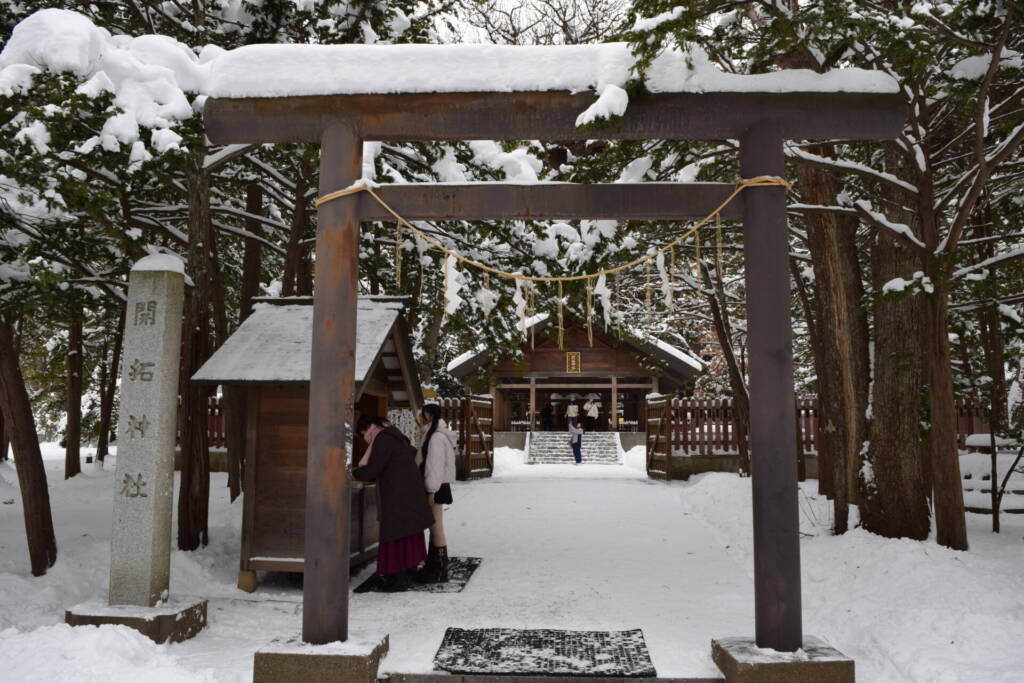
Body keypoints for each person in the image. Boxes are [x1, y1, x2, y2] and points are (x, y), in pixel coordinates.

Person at [352, 415, 435, 592]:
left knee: (394, 533)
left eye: (363, 432)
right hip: (406, 491)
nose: (364, 437)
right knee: (408, 533)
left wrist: (355, 473)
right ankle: (408, 570)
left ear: (370, 426)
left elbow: (374, 468)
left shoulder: (382, 439)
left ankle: (398, 577)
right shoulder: (394, 436)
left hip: (397, 494)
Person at [415, 404, 457, 584]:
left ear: (428, 415)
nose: (420, 417)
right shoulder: (436, 434)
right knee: (435, 527)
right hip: (439, 484)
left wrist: (431, 489)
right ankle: (434, 565)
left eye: (423, 414)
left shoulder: (436, 437)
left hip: (436, 485)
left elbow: (434, 465)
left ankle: (439, 569)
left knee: (436, 527)